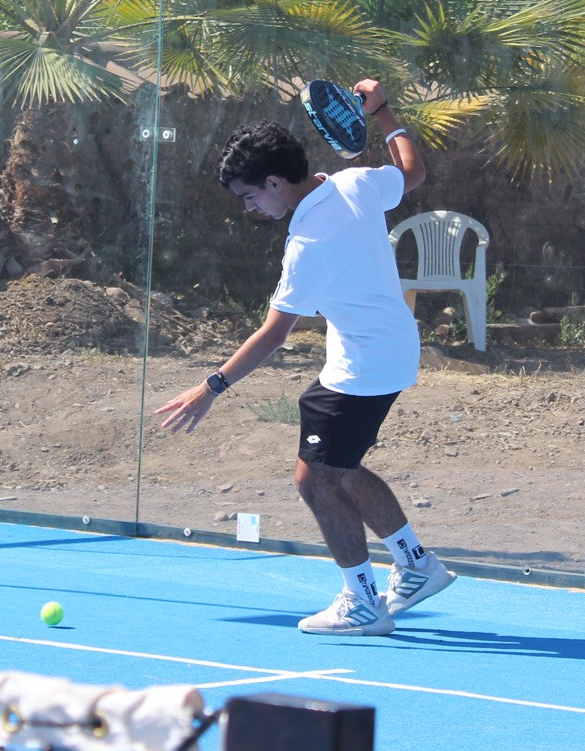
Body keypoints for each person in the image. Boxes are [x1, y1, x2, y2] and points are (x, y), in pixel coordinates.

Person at [154, 78, 455, 636]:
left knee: (314, 481)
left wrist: (210, 388)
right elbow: (412, 172)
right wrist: (384, 111)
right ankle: (416, 565)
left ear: (274, 182)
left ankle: (362, 602)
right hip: (388, 350)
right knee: (340, 468)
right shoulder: (354, 183)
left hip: (364, 366)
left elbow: (274, 334)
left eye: (250, 196)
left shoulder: (308, 242)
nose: (251, 207)